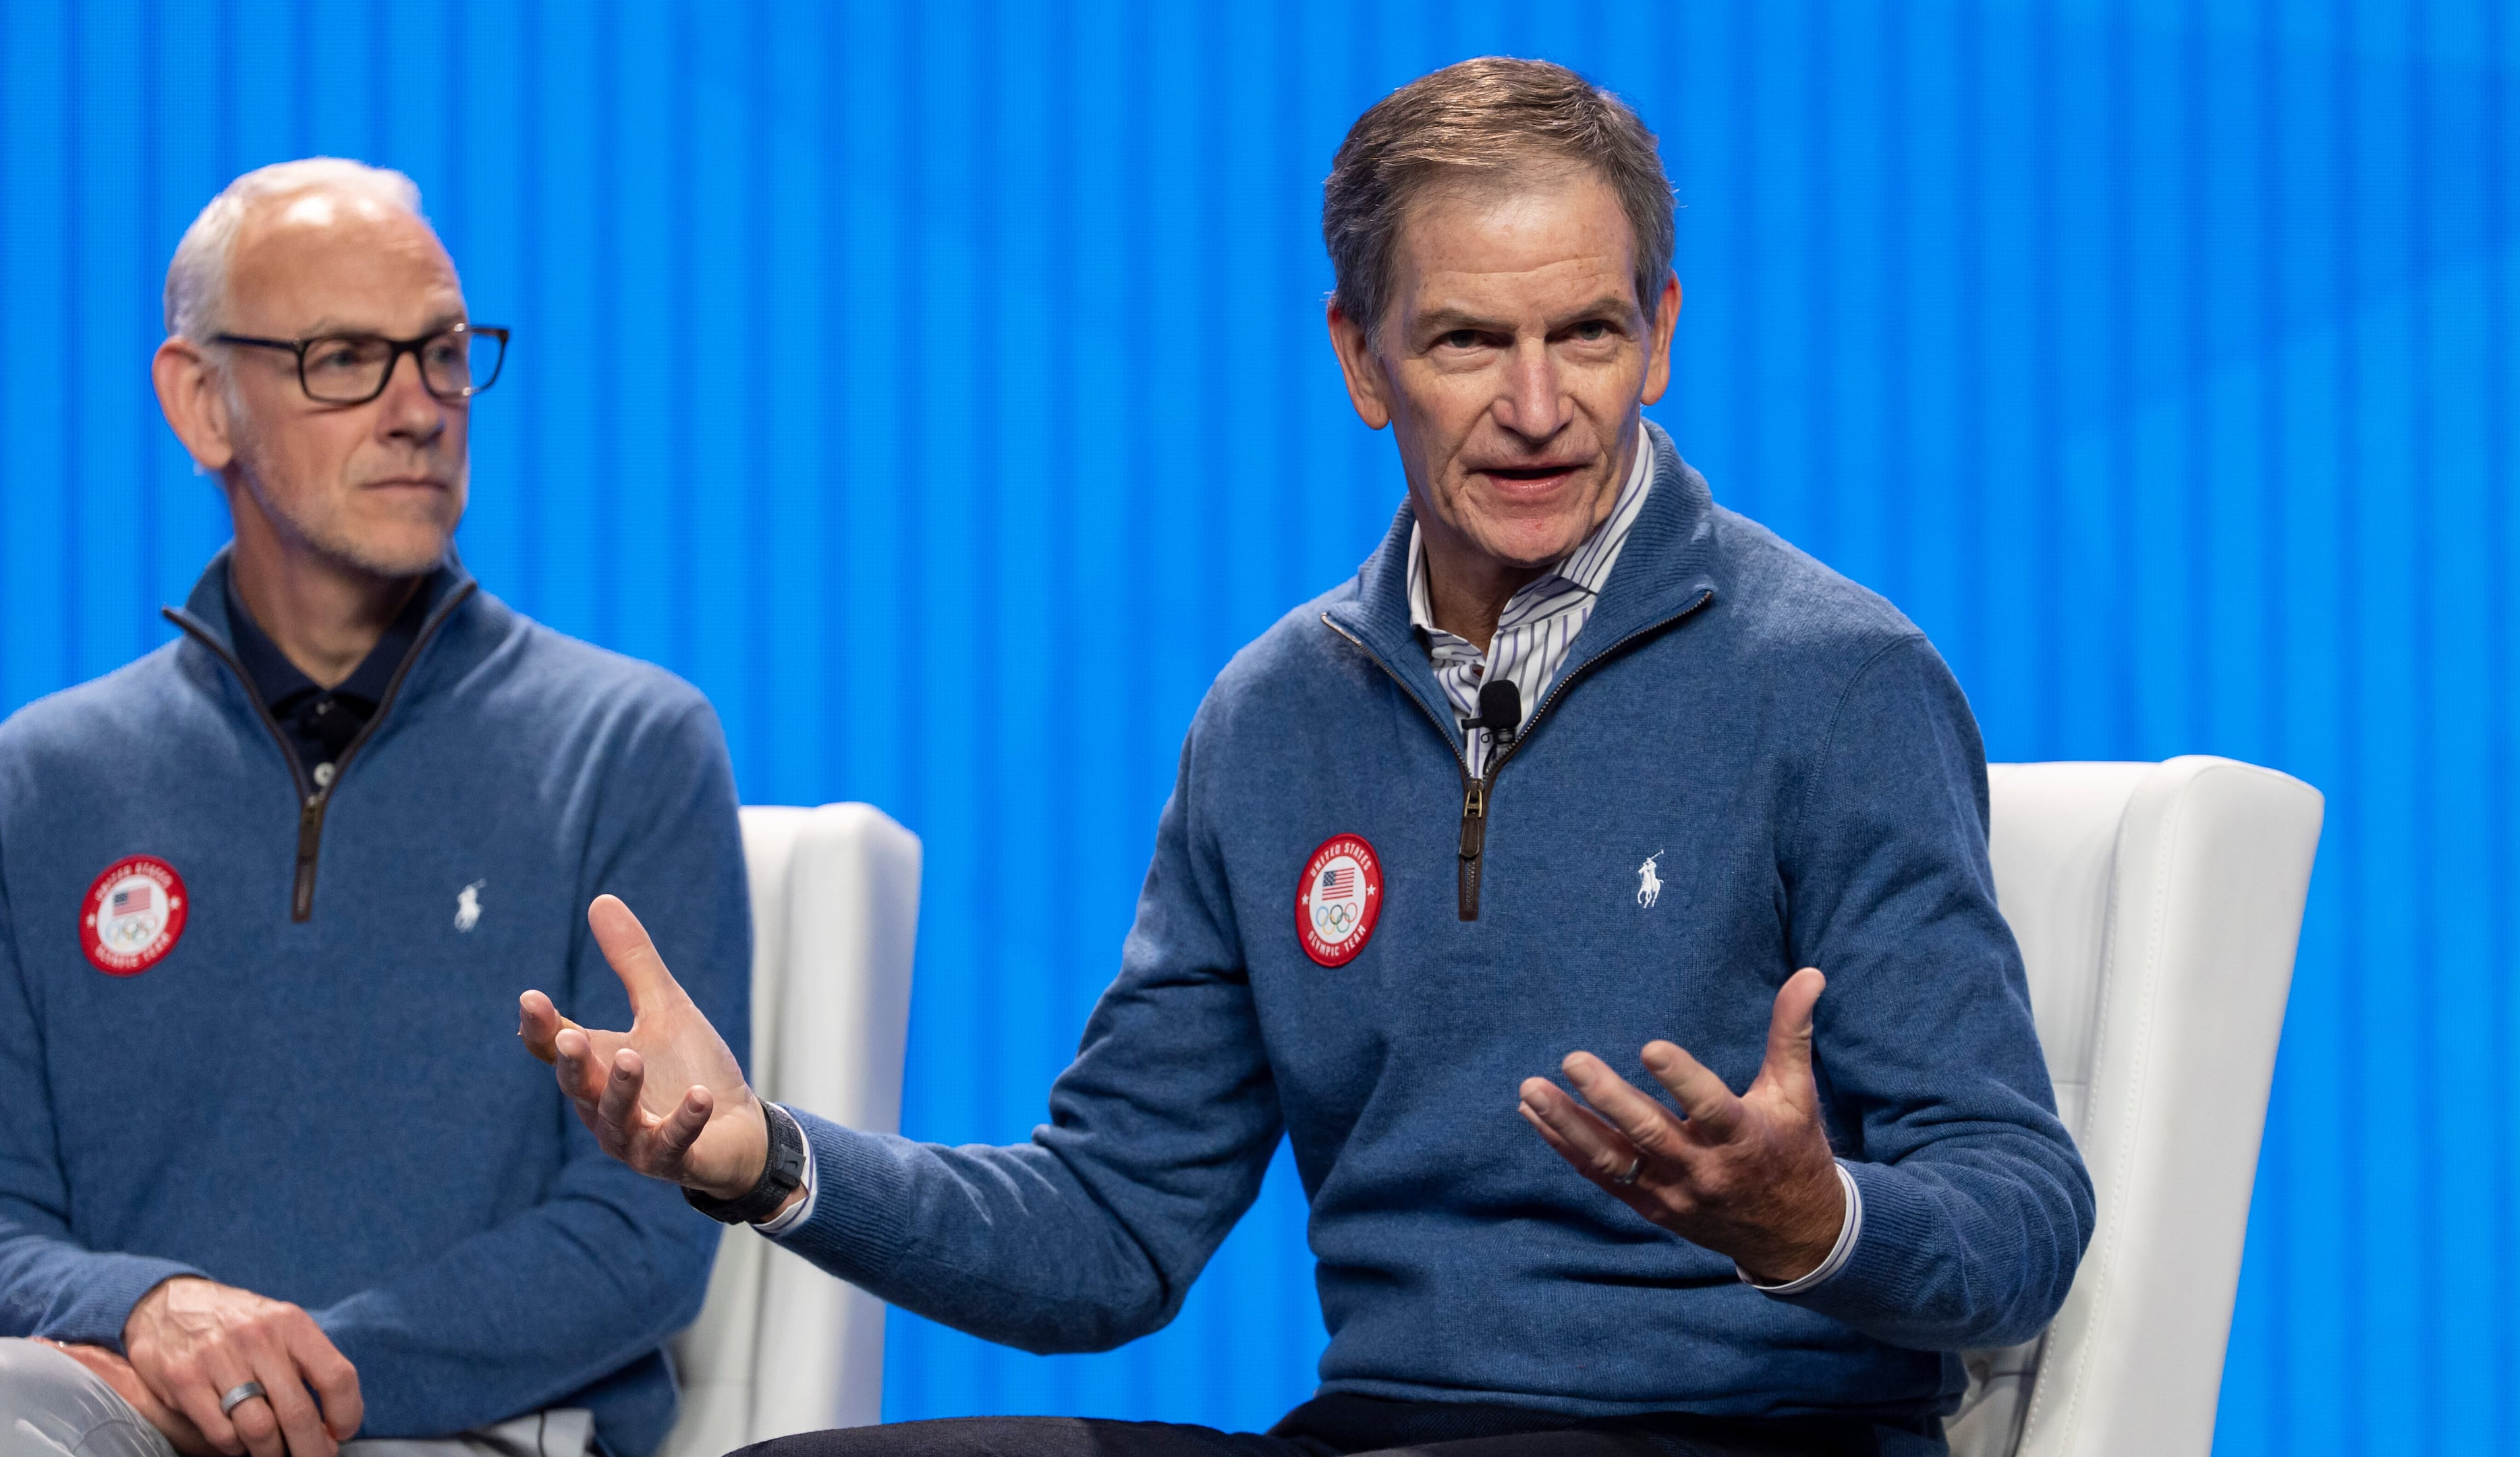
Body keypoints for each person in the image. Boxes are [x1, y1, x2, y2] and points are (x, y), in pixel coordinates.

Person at [528, 58, 2092, 1457]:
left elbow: (2022, 1208)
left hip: (1748, 1437)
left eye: (1589, 335)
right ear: (1360, 359)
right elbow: (1110, 1228)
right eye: (1470, 341)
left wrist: (1817, 1221)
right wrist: (763, 1159)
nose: (1541, 408)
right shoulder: (1274, 714)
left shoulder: (1835, 679)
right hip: (1382, 1432)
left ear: (1663, 334)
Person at [0, 159, 752, 1457]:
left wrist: (270, 1382)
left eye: (445, 355)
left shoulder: (631, 746)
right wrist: (152, 1312)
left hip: (462, 1437)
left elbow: (644, 1235)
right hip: (104, 1414)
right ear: (201, 403)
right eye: (346, 358)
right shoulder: (44, 777)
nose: (419, 409)